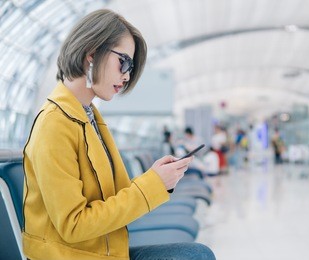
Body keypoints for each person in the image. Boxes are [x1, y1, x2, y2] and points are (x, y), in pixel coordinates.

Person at [22, 9, 215, 260]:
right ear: (91, 54)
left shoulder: (87, 116)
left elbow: (112, 200)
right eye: (124, 62)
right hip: (76, 255)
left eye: (130, 67)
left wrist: (155, 178)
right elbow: (74, 225)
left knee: (196, 254)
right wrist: (153, 185)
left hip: (105, 251)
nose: (126, 76)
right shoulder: (55, 124)